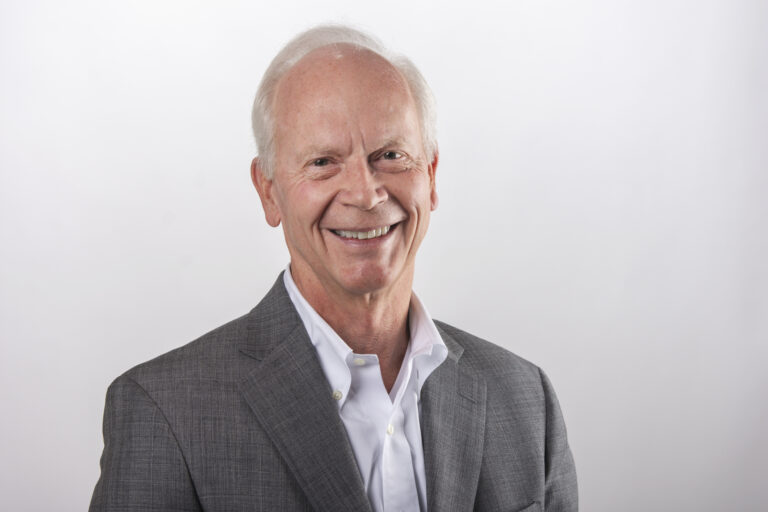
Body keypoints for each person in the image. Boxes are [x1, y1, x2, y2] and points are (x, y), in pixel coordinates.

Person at [89, 24, 577, 512]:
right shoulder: (165, 413)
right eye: (323, 162)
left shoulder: (526, 400)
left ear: (430, 176)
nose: (365, 194)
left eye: (391, 155)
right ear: (268, 191)